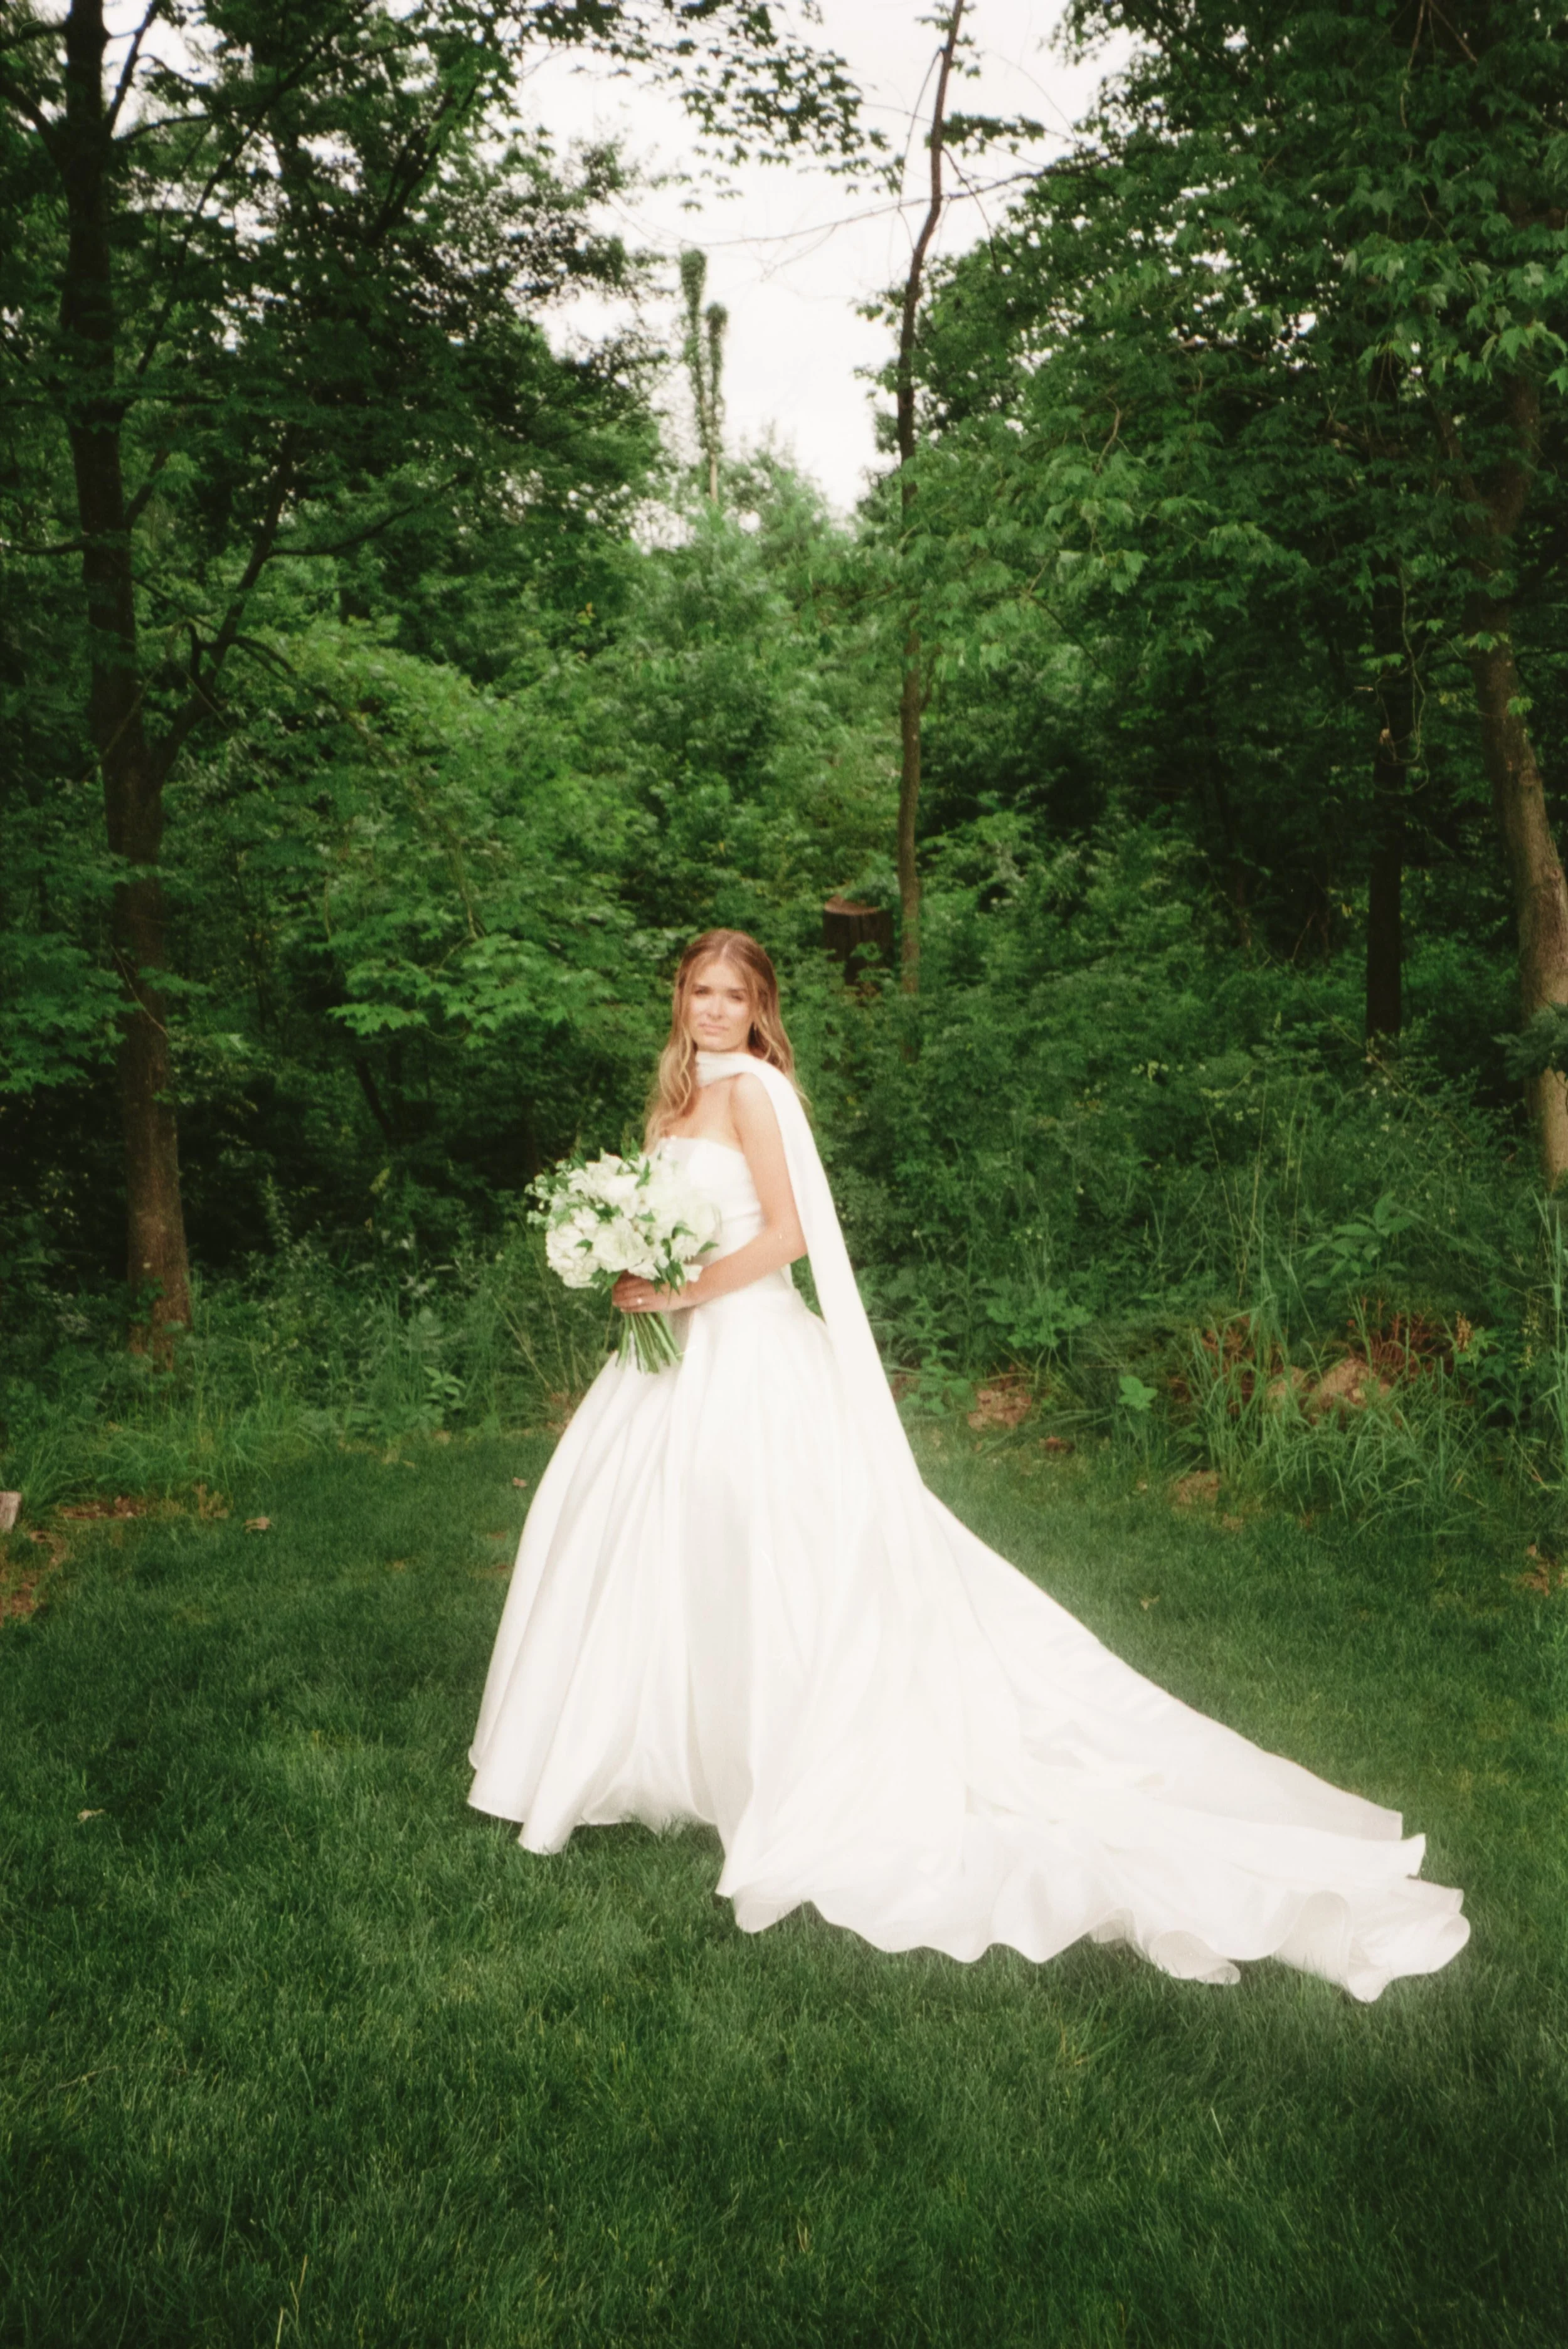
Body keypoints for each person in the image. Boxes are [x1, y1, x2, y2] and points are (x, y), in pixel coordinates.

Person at [469, 930, 1468, 1998]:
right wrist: (633, 1261)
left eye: (732, 995)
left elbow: (793, 1237)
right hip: (670, 1367)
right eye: (697, 991)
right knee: (652, 1547)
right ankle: (643, 1740)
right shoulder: (674, 1100)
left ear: (759, 1006)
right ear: (679, 998)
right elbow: (673, 1223)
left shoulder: (758, 1093)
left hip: (749, 1348)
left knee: (768, 1553)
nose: (712, 1010)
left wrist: (683, 1288)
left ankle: (783, 1752)